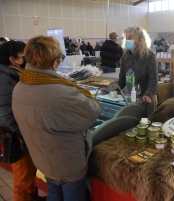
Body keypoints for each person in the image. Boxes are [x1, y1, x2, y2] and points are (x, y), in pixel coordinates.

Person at [12, 36, 101, 201]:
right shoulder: (63, 92)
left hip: (42, 159)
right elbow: (93, 112)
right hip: (68, 165)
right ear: (54, 62)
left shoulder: (21, 85)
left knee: (54, 195)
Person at [0, 41, 46, 201]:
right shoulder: (4, 78)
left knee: (28, 175)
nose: (28, 59)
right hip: (17, 137)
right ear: (13, 59)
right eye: (24, 56)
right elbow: (5, 115)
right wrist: (26, 133)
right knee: (22, 178)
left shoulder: (15, 74)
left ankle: (32, 196)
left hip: (23, 134)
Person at [119, 26, 158, 105]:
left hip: (146, 99)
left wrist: (148, 94)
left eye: (130, 37)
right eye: (126, 38)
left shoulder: (149, 56)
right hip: (130, 98)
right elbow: (122, 81)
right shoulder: (125, 57)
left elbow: (153, 80)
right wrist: (112, 89)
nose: (127, 40)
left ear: (140, 40)